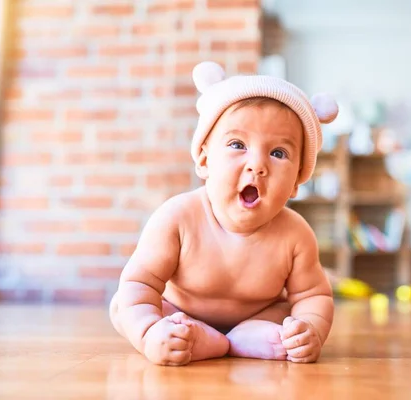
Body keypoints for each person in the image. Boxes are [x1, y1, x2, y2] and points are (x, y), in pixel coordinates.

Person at [109, 61, 339, 366]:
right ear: (204, 160)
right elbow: (140, 284)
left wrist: (310, 332)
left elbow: (313, 297)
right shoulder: (177, 218)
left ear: (297, 180)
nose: (257, 164)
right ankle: (188, 336)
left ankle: (243, 336)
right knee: (123, 307)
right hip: (179, 314)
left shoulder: (296, 234)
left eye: (278, 153)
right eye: (237, 144)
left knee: (288, 316)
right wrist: (149, 331)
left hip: (260, 317)